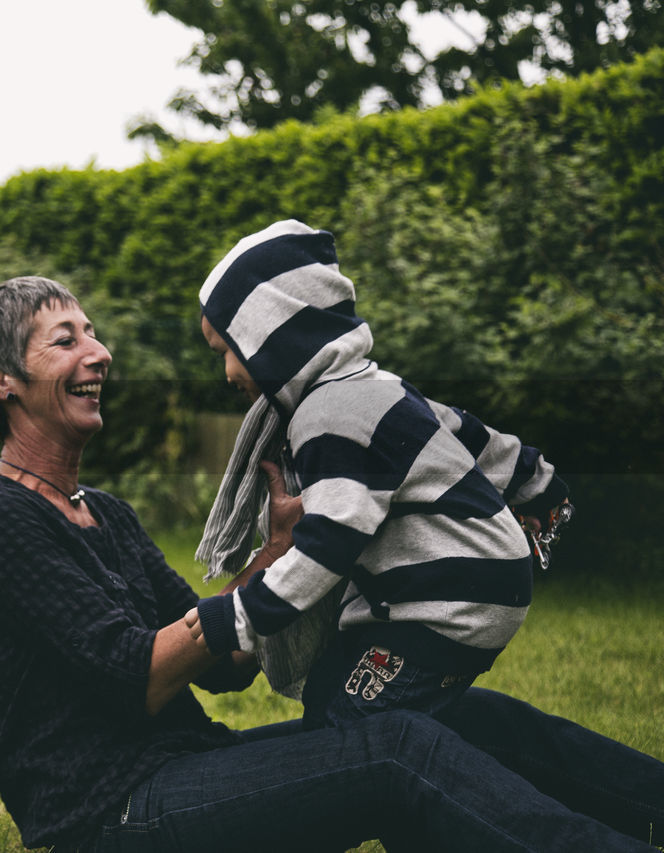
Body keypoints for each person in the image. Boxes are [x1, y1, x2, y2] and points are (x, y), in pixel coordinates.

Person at [0, 275, 663, 852]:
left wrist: (276, 552)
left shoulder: (105, 511)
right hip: (105, 814)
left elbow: (225, 669)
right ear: (0, 379)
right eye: (65, 340)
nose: (97, 353)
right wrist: (252, 599)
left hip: (187, 766)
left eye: (93, 334)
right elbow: (133, 679)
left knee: (461, 715)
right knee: (395, 749)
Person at [188, 219, 572, 728]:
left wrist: (240, 616)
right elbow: (468, 434)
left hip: (440, 606)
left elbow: (327, 544)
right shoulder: (375, 386)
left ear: (271, 336)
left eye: (227, 353)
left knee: (344, 727)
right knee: (338, 685)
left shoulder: (326, 417)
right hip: (484, 586)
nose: (228, 374)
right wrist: (539, 484)